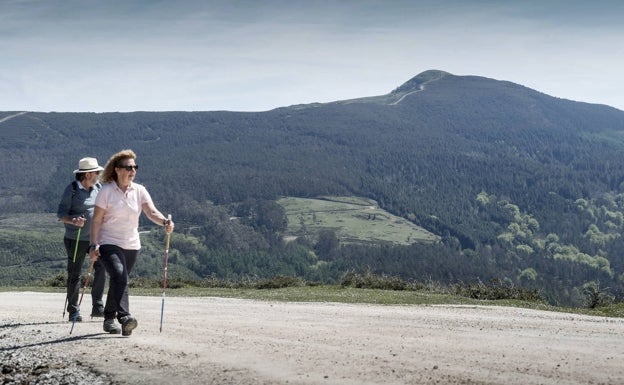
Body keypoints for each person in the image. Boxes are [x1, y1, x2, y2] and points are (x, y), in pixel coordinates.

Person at [89, 149, 174, 336]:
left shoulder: (139, 190)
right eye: (128, 167)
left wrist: (164, 222)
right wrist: (93, 244)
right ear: (117, 169)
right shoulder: (106, 191)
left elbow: (151, 211)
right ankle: (125, 317)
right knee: (120, 276)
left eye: (135, 167)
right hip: (108, 241)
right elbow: (96, 220)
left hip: (132, 244)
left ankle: (109, 319)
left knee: (119, 280)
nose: (133, 170)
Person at [57, 157, 107, 322]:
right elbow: (61, 214)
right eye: (96, 172)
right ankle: (73, 310)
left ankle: (98, 307)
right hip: (75, 238)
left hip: (95, 238)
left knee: (101, 268)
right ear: (87, 175)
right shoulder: (71, 190)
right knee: (75, 273)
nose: (99, 174)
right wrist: (73, 221)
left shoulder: (98, 188)